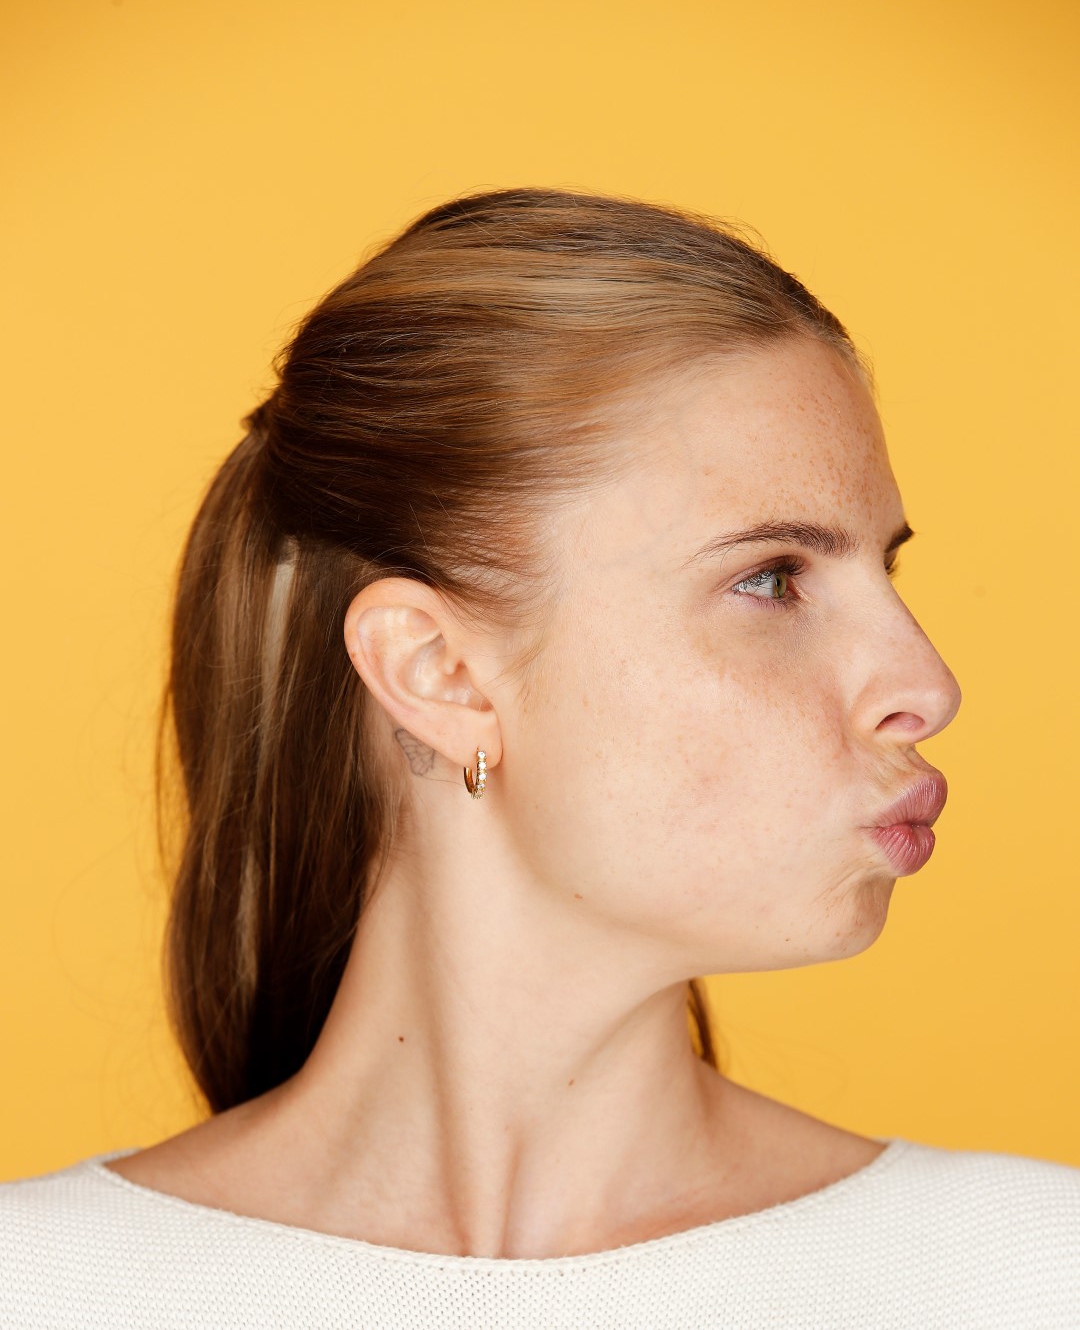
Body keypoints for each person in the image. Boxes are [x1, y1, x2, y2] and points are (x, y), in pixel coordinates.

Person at [1, 186, 1077, 1328]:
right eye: (771, 578)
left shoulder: (1028, 1276)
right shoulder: (45, 1288)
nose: (927, 686)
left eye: (885, 573)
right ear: (439, 672)